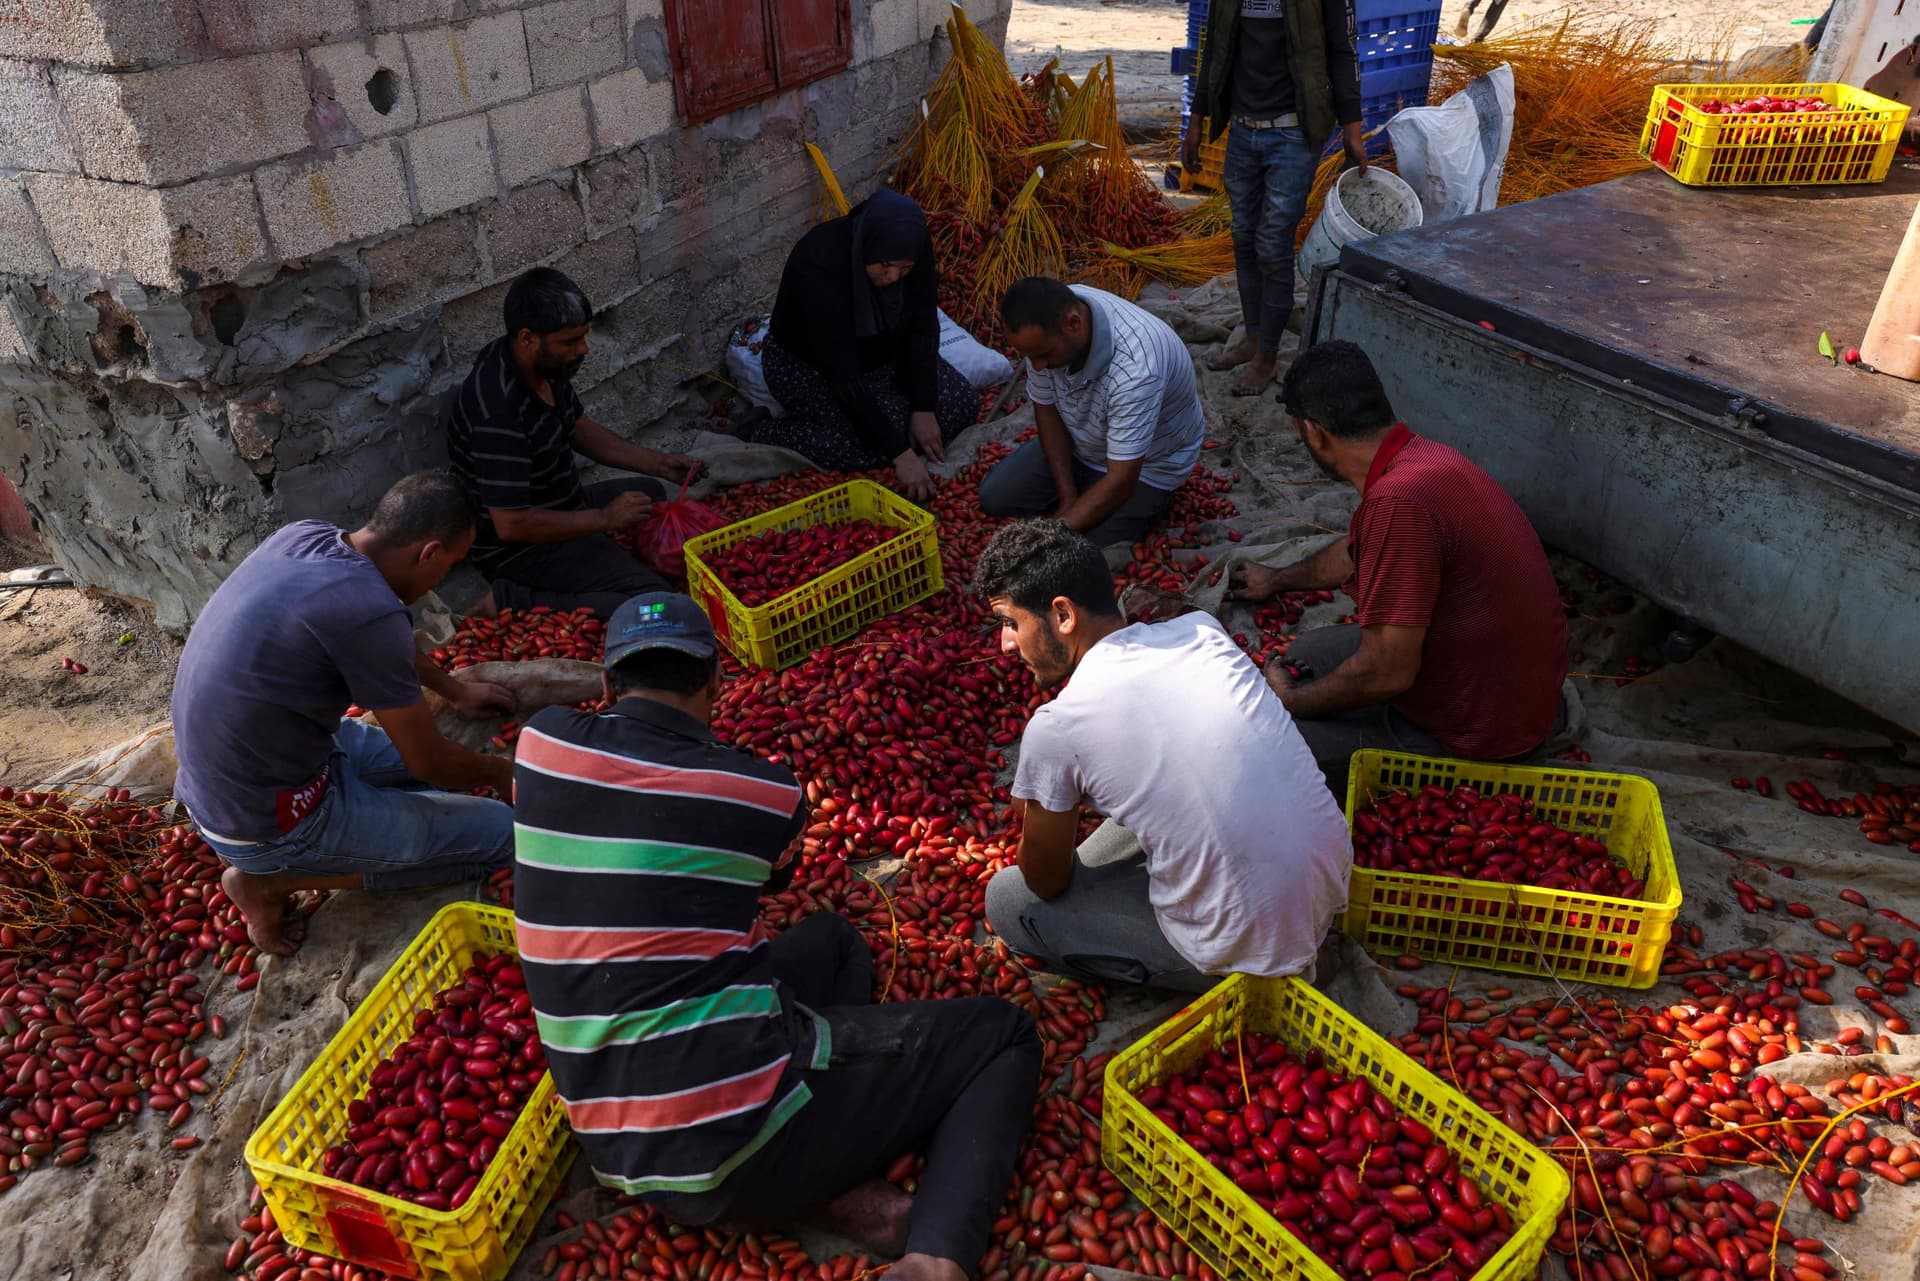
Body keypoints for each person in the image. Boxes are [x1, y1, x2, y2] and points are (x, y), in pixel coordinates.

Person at [512, 592, 1040, 1281]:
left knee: (833, 941)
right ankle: (933, 1258)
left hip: (614, 1141)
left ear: (607, 685)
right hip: (725, 1140)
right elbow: (775, 874)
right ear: (716, 682)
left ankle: (820, 1175)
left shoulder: (540, 744)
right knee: (1002, 1033)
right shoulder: (757, 791)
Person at [975, 520, 1351, 990]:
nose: (1006, 644)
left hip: (1249, 947)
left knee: (1008, 898)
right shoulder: (1202, 630)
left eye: (1010, 622)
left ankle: (1250, 973)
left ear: (1063, 615)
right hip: (1331, 880)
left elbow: (1045, 882)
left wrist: (1034, 809)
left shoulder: (1057, 727)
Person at [172, 472, 518, 956]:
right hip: (265, 821)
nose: (443, 579)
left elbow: (378, 642)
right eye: (452, 564)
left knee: (443, 775)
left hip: (243, 772)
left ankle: (347, 822)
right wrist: (498, 772)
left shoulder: (305, 536)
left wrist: (453, 690)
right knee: (503, 834)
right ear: (430, 553)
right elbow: (430, 763)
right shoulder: (370, 612)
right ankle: (271, 881)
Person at [1229, 341, 1569, 782]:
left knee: (1268, 746)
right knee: (1307, 655)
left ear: (1313, 432)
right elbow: (1356, 553)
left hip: (1481, 733)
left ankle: (1427, 751)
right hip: (1512, 684)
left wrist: (1292, 703)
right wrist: (1276, 579)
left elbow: (1388, 674)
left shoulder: (1398, 504)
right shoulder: (1425, 459)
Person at [446, 267, 705, 620]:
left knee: (650, 492)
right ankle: (513, 599)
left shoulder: (540, 366)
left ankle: (598, 561)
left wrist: (658, 463)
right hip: (520, 548)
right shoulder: (497, 412)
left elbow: (578, 429)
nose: (583, 349)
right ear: (527, 338)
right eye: (570, 342)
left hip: (563, 503)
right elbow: (511, 524)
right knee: (654, 601)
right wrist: (604, 519)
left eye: (583, 337)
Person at [750, 189, 979, 502]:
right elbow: (840, 369)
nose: (893, 277)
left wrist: (924, 406)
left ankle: (890, 414)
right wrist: (900, 454)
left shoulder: (915, 249)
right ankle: (761, 430)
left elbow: (923, 326)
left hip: (881, 357)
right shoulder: (819, 260)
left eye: (904, 269)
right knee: (858, 445)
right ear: (868, 245)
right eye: (885, 265)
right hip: (810, 365)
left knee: (961, 402)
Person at [1189, 0, 1368, 396]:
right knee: (1243, 237)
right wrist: (1196, 121)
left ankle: (1267, 355)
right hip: (1242, 128)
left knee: (1272, 244)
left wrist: (1352, 129)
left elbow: (1343, 49)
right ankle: (1253, 338)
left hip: (1293, 133)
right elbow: (1215, 46)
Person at [977, 278, 1206, 548]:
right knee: (994, 498)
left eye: (1045, 354)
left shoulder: (1137, 371)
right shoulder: (1048, 323)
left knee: (1078, 550)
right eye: (1030, 356)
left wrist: (1051, 535)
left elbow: (1121, 479)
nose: (1037, 366)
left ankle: (1152, 498)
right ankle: (1084, 490)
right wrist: (1068, 495)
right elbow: (1048, 412)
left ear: (1074, 324)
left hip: (1148, 464)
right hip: (1084, 442)